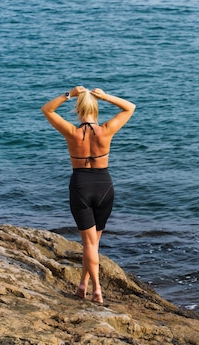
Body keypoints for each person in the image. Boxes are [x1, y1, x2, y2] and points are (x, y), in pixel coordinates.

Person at [41, 86, 135, 304]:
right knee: (93, 243)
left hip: (81, 186)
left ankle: (97, 290)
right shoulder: (106, 130)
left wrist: (69, 94)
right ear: (96, 109)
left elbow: (47, 110)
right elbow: (130, 107)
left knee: (89, 244)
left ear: (78, 110)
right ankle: (82, 286)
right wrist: (106, 96)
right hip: (104, 187)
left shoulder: (72, 133)